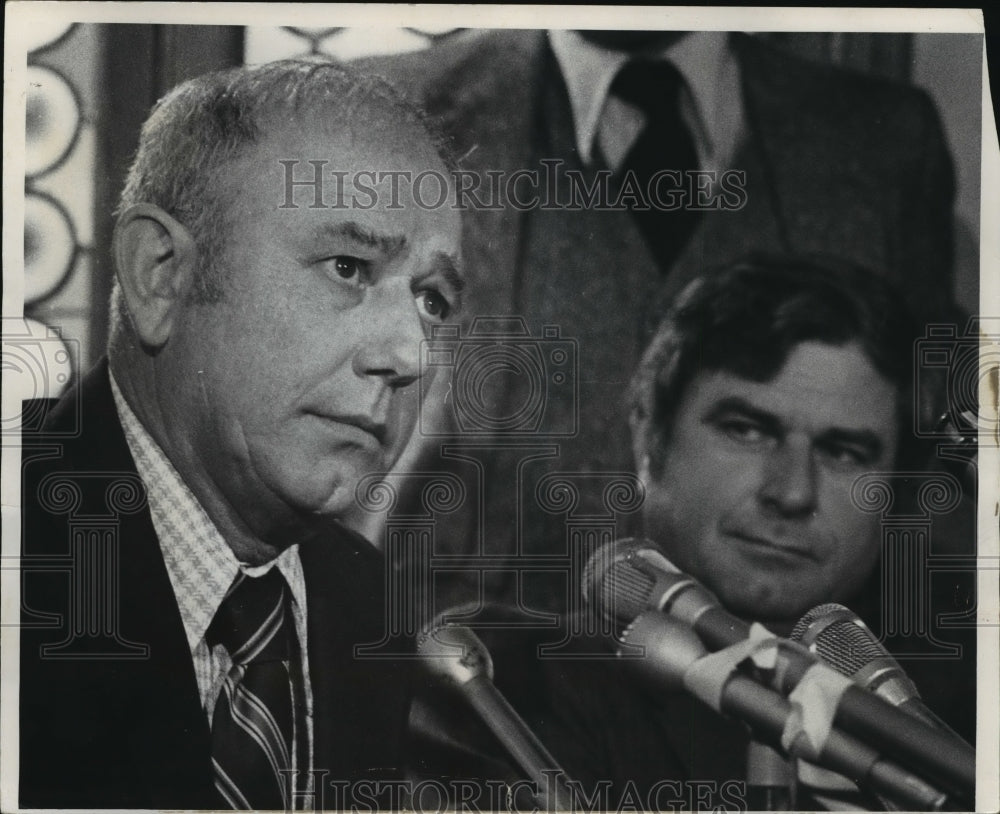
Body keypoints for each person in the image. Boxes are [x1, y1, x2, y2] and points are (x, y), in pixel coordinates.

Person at [357, 30, 959, 615]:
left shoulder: (885, 139)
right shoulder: (390, 106)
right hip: (445, 674)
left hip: (778, 699)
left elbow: (931, 458)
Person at [19, 60, 464, 809]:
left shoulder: (366, 604)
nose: (408, 355)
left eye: (431, 300)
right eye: (349, 266)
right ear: (161, 274)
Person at [406, 254, 976, 810]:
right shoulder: (506, 677)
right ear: (648, 432)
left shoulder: (967, 711)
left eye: (844, 451)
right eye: (747, 430)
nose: (792, 491)